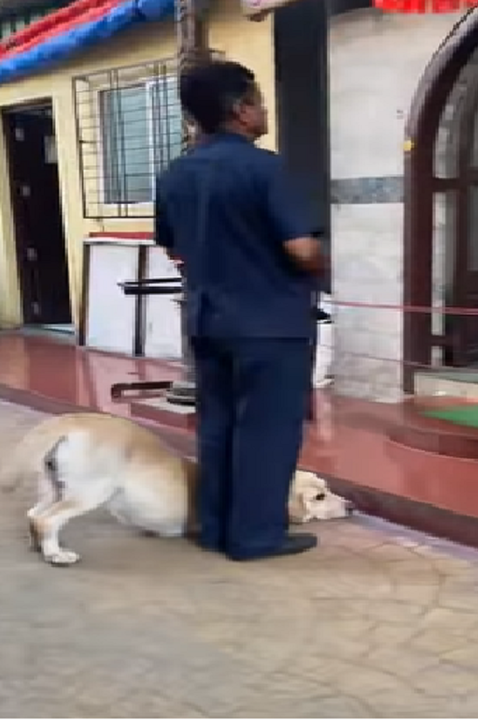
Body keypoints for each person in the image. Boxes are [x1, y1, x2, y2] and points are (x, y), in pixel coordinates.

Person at [154, 61, 325, 562]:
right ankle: (255, 537)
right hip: (270, 325)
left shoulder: (175, 173)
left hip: (207, 321)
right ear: (239, 110)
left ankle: (214, 527)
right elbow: (301, 249)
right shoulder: (266, 168)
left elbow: (173, 248)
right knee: (268, 431)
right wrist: (319, 260)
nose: (265, 109)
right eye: (258, 100)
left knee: (217, 426)